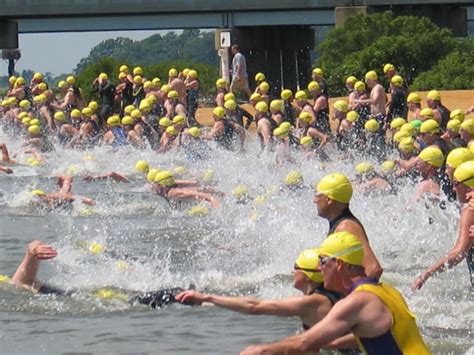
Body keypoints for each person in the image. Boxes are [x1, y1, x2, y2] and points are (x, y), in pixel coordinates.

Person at [241, 231, 430, 355]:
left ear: (338, 264)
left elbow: (305, 343)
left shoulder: (357, 301)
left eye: (323, 262)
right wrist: (329, 342)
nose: (318, 268)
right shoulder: (387, 291)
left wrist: (260, 350)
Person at [176, 248, 350, 334]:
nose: (292, 271)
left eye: (295, 267)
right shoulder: (331, 295)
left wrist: (207, 297)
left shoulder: (313, 302)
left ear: (307, 276)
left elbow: (255, 306)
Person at [3, 240, 193, 309]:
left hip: (109, 299)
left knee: (175, 294)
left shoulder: (18, 285)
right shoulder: (21, 288)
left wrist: (33, 249)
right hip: (113, 300)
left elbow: (30, 251)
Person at [412, 160, 474, 289]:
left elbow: (459, 252)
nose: (453, 188)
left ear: (470, 187)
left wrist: (428, 273)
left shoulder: (470, 209)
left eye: (456, 183)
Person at [314, 173, 383, 280]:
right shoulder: (339, 224)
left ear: (329, 200)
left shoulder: (346, 227)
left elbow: (374, 269)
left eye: (318, 195)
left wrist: (352, 295)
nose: (315, 200)